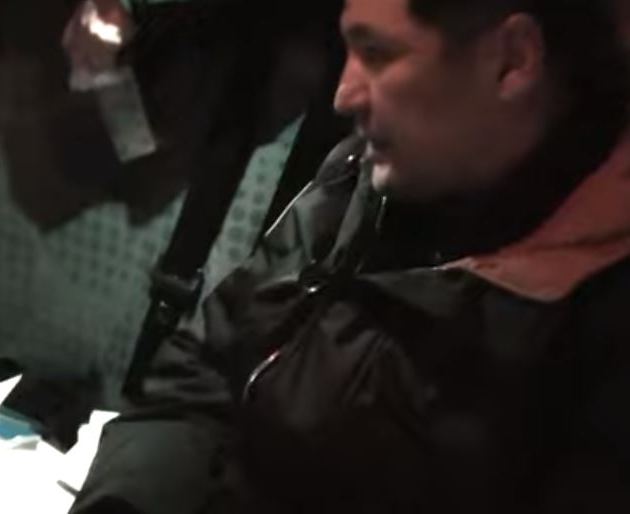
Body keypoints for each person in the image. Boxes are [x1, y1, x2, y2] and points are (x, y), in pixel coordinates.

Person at [71, 0, 630, 512]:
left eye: (377, 53)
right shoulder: (361, 177)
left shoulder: (597, 336)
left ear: (511, 60)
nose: (343, 95)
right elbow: (207, 369)